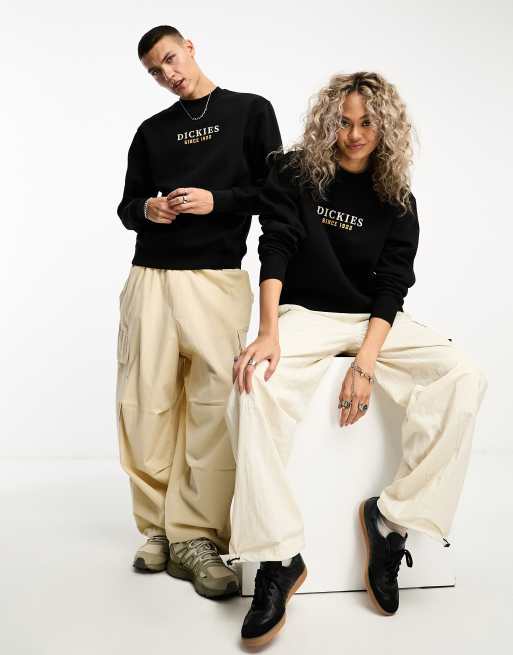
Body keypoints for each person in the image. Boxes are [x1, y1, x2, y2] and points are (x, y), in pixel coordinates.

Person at [226, 72, 487, 646]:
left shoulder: (397, 198)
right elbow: (276, 245)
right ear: (328, 122)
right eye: (343, 122)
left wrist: (365, 363)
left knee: (464, 376)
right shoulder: (294, 173)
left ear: (385, 127)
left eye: (367, 122)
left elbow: (393, 283)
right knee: (254, 383)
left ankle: (391, 520)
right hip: (305, 313)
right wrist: (267, 331)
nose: (354, 134)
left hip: (372, 321)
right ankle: (278, 557)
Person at [116, 24, 281, 599]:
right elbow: (126, 206)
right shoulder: (151, 131)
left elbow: (277, 194)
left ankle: (197, 535)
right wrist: (149, 209)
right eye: (155, 72)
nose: (168, 75)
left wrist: (219, 201)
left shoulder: (249, 111)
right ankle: (158, 528)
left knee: (214, 407)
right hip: (151, 277)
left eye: (170, 59)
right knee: (144, 404)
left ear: (190, 47)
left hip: (216, 277)